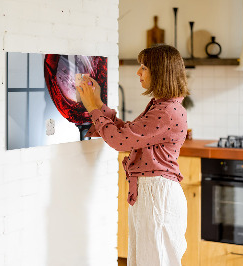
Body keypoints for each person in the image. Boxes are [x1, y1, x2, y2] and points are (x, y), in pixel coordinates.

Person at [77, 44, 189, 266]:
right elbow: (128, 133)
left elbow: (120, 141)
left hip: (157, 195)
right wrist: (98, 104)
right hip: (152, 193)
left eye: (144, 67)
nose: (138, 72)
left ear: (160, 72)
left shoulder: (166, 111)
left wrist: (93, 108)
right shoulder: (162, 106)